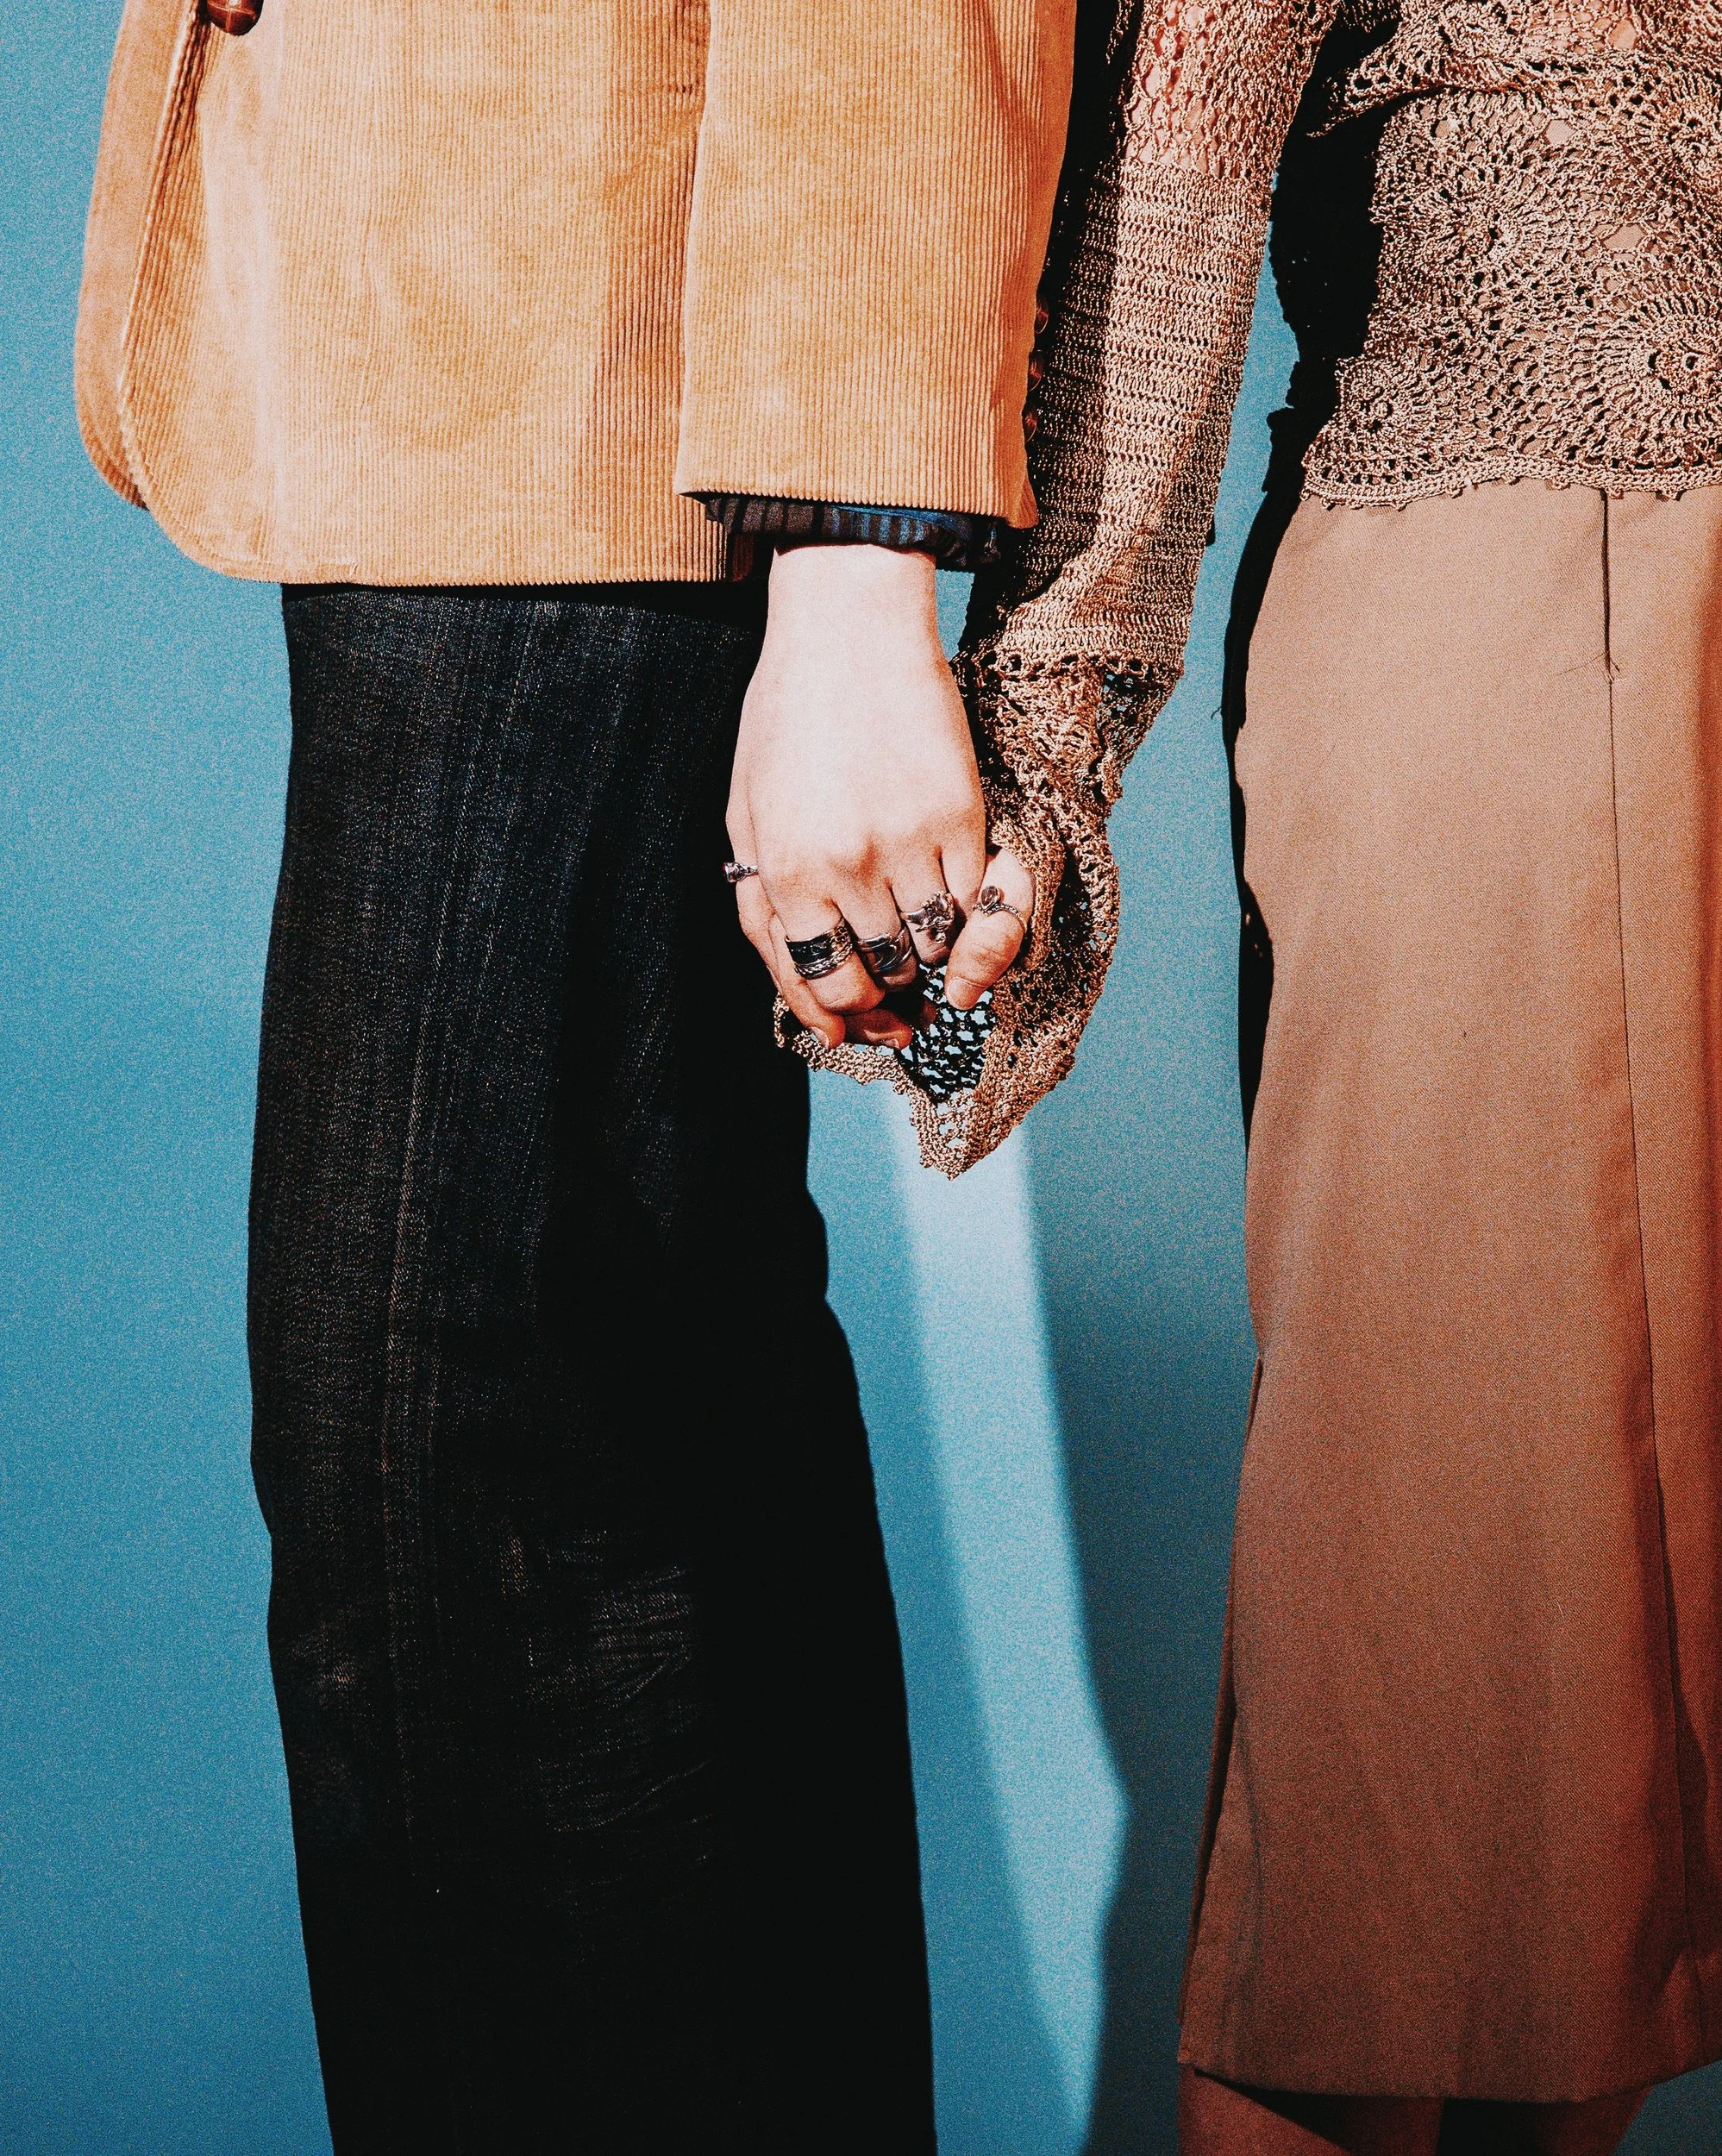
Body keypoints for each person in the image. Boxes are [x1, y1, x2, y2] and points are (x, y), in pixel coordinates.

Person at [846, 3, 1722, 2151]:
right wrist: (1045, 742)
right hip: (1513, 635)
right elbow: (1160, 232)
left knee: (1618, 1766)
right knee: (1420, 1704)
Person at [75, 0, 1073, 2144]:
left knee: (487, 1514)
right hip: (481, 372)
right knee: (566, 1482)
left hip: (614, 386)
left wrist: (856, 567)